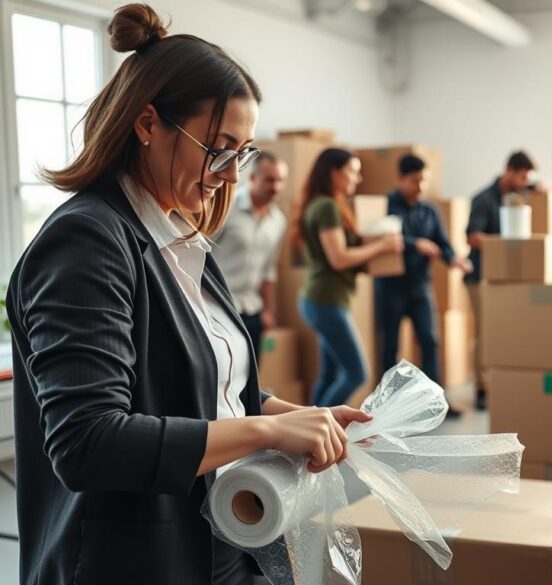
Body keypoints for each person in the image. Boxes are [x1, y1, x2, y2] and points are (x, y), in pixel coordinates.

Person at [4, 5, 371, 584]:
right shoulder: (87, 242)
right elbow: (88, 441)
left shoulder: (180, 236)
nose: (231, 174)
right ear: (148, 124)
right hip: (136, 561)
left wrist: (298, 414)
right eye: (219, 147)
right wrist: (269, 432)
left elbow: (202, 382)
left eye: (243, 153)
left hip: (221, 536)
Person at [291, 148, 403, 408]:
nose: (359, 178)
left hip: (322, 300)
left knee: (329, 374)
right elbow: (339, 258)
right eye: (352, 171)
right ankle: (320, 427)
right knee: (357, 373)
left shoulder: (322, 203)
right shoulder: (327, 206)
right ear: (334, 172)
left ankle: (307, 434)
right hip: (325, 301)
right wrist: (382, 246)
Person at [374, 154, 472, 414]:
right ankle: (384, 409)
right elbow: (379, 237)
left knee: (429, 341)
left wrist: (455, 260)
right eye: (415, 181)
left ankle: (437, 404)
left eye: (423, 181)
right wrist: (414, 243)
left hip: (419, 287)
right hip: (390, 287)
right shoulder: (385, 206)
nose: (420, 187)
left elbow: (442, 243)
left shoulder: (430, 210)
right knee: (390, 347)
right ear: (400, 178)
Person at [464, 150, 545, 410]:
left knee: (506, 332)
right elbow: (473, 237)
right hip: (480, 277)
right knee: (485, 332)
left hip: (507, 279)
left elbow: (536, 187)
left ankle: (503, 383)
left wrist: (540, 186)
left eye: (527, 179)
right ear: (509, 171)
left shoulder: (520, 195)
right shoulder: (483, 199)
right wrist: (505, 247)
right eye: (521, 177)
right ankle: (482, 388)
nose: (524, 183)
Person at [212, 152, 288, 361]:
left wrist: (269, 311)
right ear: (253, 178)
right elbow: (202, 253)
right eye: (270, 180)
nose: (276, 187)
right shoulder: (226, 207)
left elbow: (269, 270)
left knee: (250, 379)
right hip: (218, 307)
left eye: (281, 180)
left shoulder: (278, 221)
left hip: (253, 310)